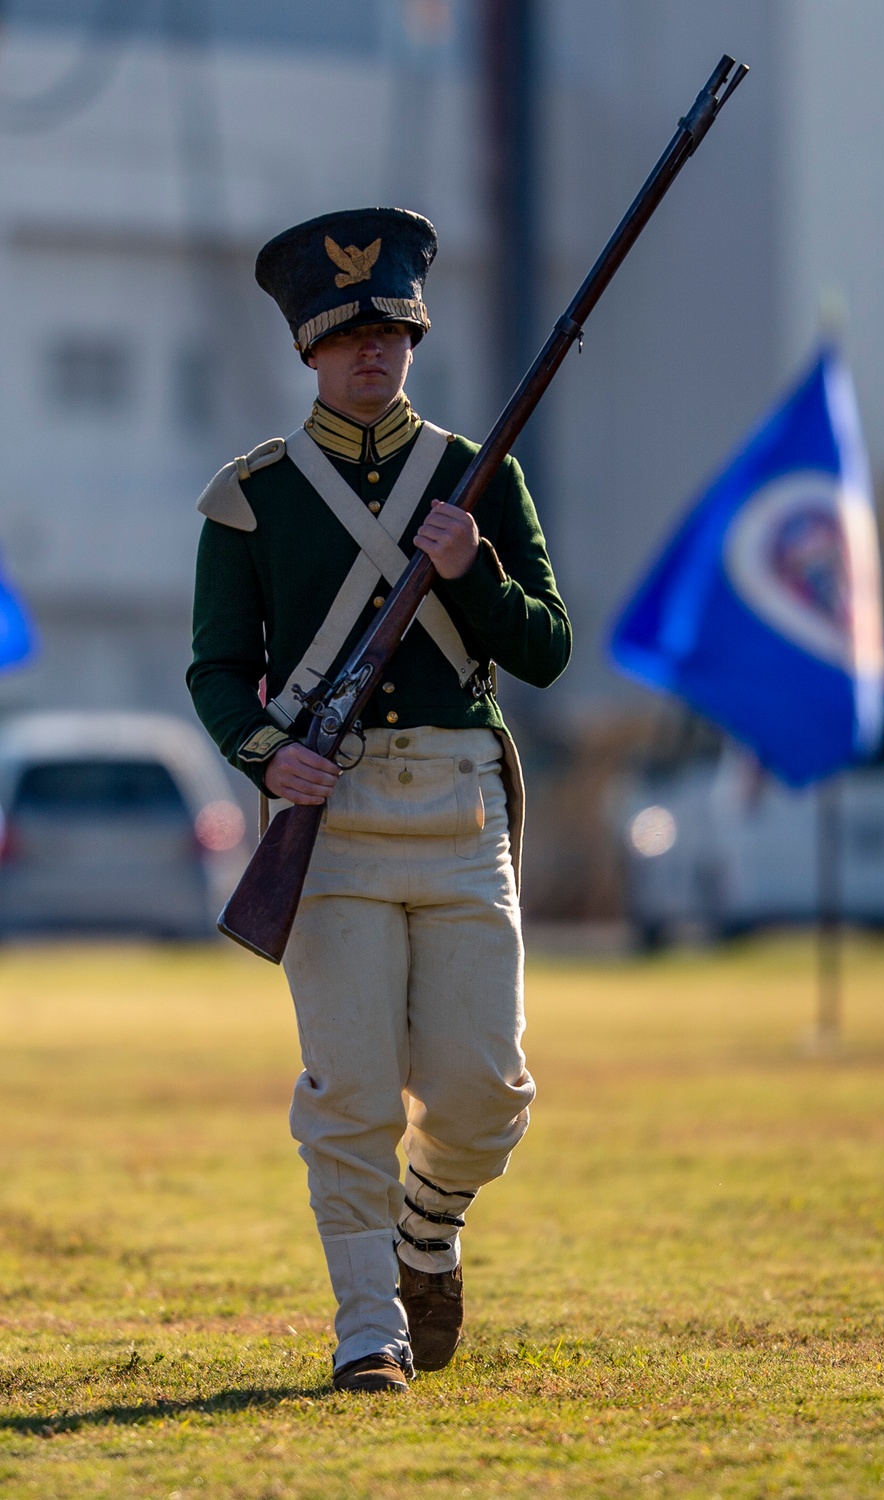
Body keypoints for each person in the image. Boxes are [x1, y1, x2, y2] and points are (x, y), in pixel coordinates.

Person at [187, 208, 570, 1393]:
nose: (373, 353)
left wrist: (473, 570)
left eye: (392, 329)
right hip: (333, 822)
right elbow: (213, 665)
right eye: (348, 334)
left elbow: (548, 649)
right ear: (307, 348)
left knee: (484, 1092)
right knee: (347, 1090)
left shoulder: (475, 477)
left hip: (459, 815)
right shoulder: (252, 495)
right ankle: (369, 1328)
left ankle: (428, 1232)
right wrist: (266, 752)